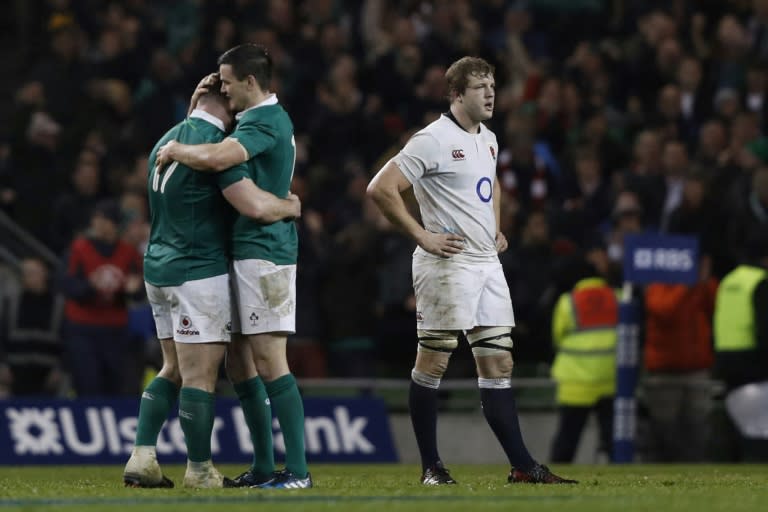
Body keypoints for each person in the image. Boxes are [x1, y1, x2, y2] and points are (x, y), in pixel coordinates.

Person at [366, 56, 577, 485]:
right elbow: (381, 188)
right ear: (457, 94)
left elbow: (492, 183)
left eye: (493, 86)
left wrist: (495, 229)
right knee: (434, 361)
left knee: (498, 364)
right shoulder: (432, 139)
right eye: (481, 87)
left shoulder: (490, 139)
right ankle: (431, 467)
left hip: (486, 263)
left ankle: (523, 466)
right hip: (447, 263)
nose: (490, 94)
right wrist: (423, 236)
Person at [123, 76, 300, 489]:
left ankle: (142, 455)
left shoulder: (166, 140)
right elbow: (253, 205)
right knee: (199, 377)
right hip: (197, 271)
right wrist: (290, 205)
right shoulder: (215, 153)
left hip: (157, 267)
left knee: (171, 369)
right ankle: (200, 469)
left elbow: (197, 117)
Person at [58, 199, 144, 398]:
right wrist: (91, 286)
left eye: (104, 219)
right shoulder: (78, 248)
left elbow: (139, 290)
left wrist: (131, 290)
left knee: (115, 385)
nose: (98, 223)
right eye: (97, 218)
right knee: (88, 384)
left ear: (114, 224)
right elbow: (67, 285)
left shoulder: (128, 252)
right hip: (83, 328)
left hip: (114, 329)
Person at [549, 254, 618, 463]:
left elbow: (557, 337)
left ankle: (556, 477)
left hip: (575, 382)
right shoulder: (618, 297)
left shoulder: (567, 302)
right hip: (611, 379)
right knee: (612, 438)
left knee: (568, 438)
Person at [713, 231, 768, 461]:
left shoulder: (728, 281)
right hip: (755, 371)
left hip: (727, 370)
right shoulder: (761, 282)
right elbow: (765, 331)